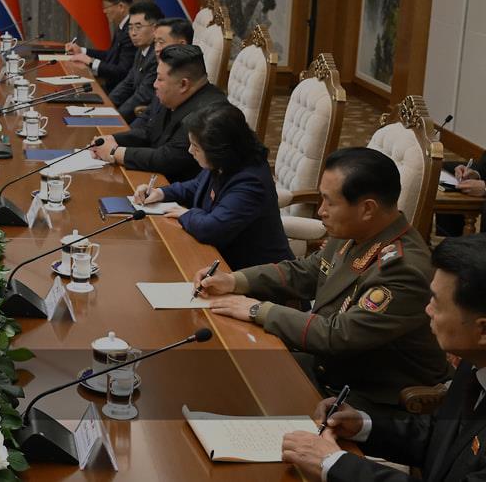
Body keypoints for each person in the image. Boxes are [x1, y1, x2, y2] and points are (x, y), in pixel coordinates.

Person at [194, 147, 451, 411]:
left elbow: (339, 335)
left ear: (367, 209)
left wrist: (257, 310)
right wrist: (235, 281)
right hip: (331, 368)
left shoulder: (403, 269)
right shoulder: (357, 231)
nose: (321, 211)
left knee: (234, 397)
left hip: (371, 398)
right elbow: (306, 271)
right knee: (217, 367)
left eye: (329, 202)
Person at [281, 233, 486, 481]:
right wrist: (362, 426)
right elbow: (438, 437)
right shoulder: (475, 362)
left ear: (483, 330)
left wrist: (333, 463)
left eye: (437, 303)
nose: (427, 310)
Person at [134, 101, 289, 269]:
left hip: (254, 273)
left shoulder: (251, 182)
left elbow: (211, 229)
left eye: (196, 147)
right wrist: (161, 193)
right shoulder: (227, 161)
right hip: (219, 259)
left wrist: (187, 214)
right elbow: (197, 186)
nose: (190, 151)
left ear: (220, 150)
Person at [89, 44, 228, 182]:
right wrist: (112, 139)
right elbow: (149, 132)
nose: (155, 84)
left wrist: (114, 152)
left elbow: (168, 159)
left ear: (183, 84)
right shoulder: (174, 95)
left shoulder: (210, 112)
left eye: (160, 79)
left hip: (175, 187)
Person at [64, 0, 137, 91]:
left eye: (106, 7)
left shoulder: (132, 31)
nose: (104, 11)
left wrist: (91, 61)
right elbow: (111, 55)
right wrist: (81, 51)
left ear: (121, 6)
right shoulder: (122, 26)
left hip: (118, 91)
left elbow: (122, 71)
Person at [104, 2, 163, 122]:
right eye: (130, 28)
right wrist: (106, 105)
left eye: (138, 27)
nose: (133, 33)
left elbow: (143, 95)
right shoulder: (141, 50)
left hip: (146, 117)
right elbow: (128, 83)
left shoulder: (157, 56)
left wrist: (115, 117)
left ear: (154, 29)